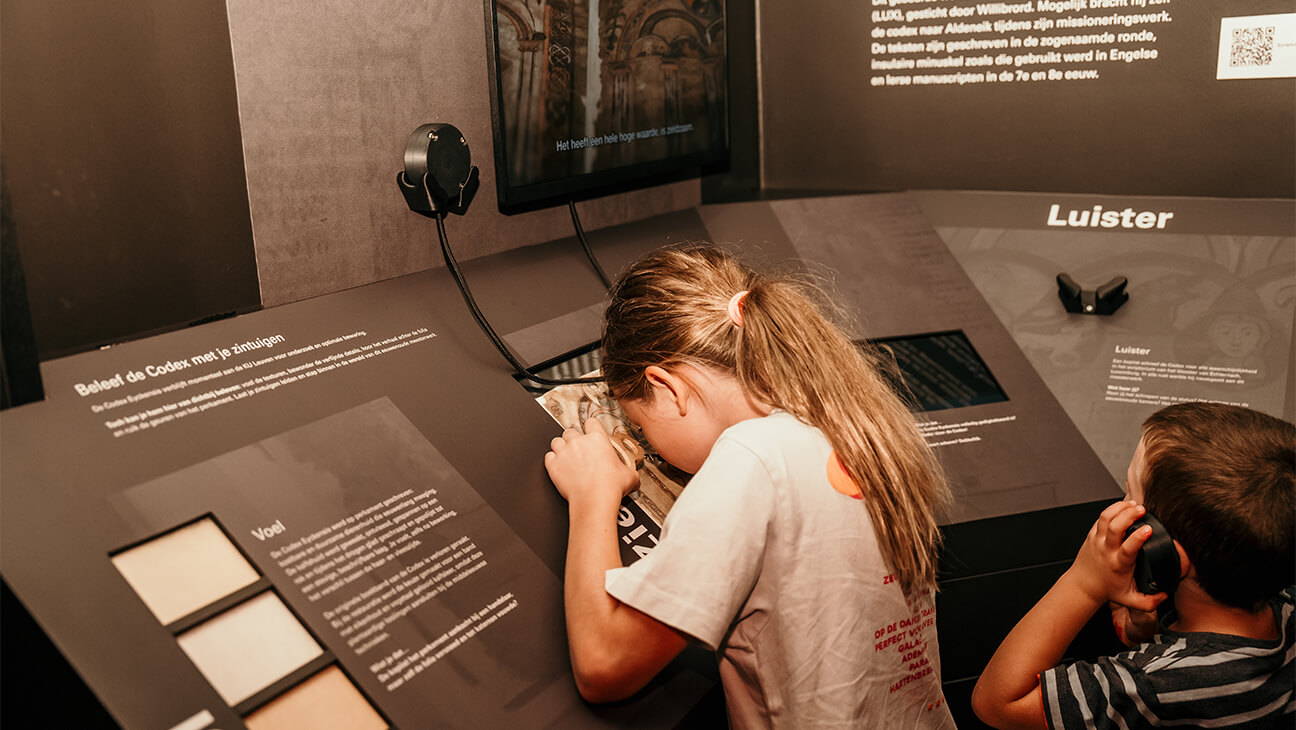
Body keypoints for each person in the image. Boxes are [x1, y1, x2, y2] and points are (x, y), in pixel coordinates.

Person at [543, 244, 956, 727]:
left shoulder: (749, 459)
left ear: (668, 388)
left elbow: (605, 665)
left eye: (639, 425)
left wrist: (593, 493)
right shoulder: (856, 423)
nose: (643, 439)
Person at [971, 402, 1295, 729]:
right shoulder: (1287, 608)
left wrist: (1083, 583)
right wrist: (1148, 627)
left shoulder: (1150, 686)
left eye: (1129, 495)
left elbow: (998, 703)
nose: (1120, 505)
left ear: (1166, 549)